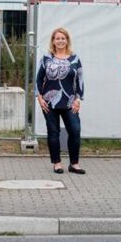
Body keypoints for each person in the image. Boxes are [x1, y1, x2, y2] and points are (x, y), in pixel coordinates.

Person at [36, 28, 85, 174]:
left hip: (70, 101)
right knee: (53, 132)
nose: (60, 41)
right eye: (57, 38)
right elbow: (38, 79)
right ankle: (57, 163)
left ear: (67, 40)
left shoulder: (75, 58)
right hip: (49, 101)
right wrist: (39, 97)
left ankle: (74, 164)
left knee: (75, 131)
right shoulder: (46, 58)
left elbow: (80, 80)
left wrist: (78, 98)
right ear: (53, 41)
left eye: (63, 38)